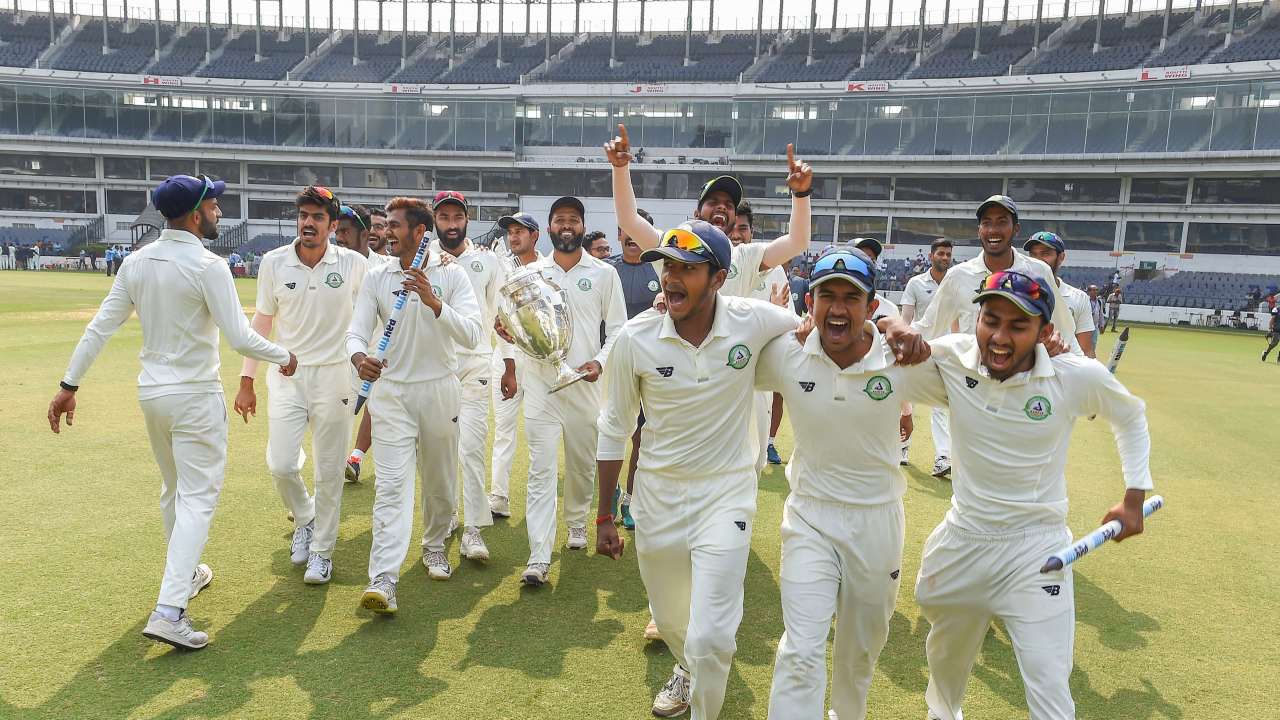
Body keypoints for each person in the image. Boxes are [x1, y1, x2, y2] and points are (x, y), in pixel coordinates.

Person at [596, 222, 927, 720]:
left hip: (727, 494)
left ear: (719, 277)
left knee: (715, 636)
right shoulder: (635, 338)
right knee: (672, 622)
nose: (672, 278)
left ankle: (705, 701)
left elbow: (836, 318)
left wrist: (894, 323)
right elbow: (615, 425)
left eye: (689, 268)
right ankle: (687, 667)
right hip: (657, 498)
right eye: (670, 266)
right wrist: (605, 514)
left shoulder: (754, 321)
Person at [47, 174, 297, 650]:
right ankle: (168, 610)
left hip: (153, 397)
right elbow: (241, 338)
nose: (220, 212)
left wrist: (68, 385)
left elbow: (100, 327)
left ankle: (185, 580)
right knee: (198, 499)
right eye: (214, 205)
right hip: (196, 396)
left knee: (175, 491)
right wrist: (285, 357)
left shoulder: (136, 263)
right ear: (195, 213)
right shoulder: (208, 265)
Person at [913, 269, 1152, 720]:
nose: (1000, 337)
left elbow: (1131, 417)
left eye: (1018, 326)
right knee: (945, 680)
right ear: (976, 320)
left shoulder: (1075, 376)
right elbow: (883, 357)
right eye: (991, 320)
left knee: (1049, 688)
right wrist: (892, 330)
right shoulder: (951, 357)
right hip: (963, 541)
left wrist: (1134, 498)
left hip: (1036, 548)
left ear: (1044, 332)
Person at [760, 248, 944, 720]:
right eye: (827, 296)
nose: (837, 309)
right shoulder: (788, 353)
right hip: (809, 517)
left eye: (850, 297)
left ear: (871, 305)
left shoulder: (900, 359)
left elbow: (979, 376)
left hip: (876, 520)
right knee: (800, 649)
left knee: (859, 655)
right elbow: (724, 339)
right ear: (811, 301)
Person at [606, 123, 814, 475]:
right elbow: (628, 218)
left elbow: (796, 242)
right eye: (713, 201)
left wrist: (801, 194)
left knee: (748, 460)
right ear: (697, 209)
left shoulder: (745, 257)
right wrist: (621, 168)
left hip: (736, 371)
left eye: (729, 204)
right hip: (682, 366)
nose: (722, 208)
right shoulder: (674, 248)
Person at [346, 197, 482, 612]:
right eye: (386, 224)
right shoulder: (377, 276)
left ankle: (435, 544)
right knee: (390, 487)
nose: (385, 232)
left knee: (440, 483)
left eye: (394, 225)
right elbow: (355, 334)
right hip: (390, 395)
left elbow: (473, 335)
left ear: (419, 232)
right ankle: (383, 579)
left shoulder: (452, 275)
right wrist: (359, 359)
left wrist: (434, 301)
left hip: (440, 389)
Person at [233, 186, 366, 586]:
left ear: (333, 224)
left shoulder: (354, 264)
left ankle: (322, 553)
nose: (308, 223)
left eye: (317, 217)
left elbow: (370, 315)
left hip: (336, 376)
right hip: (287, 375)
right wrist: (246, 379)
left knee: (328, 470)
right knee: (282, 464)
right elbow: (262, 322)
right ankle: (306, 518)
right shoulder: (274, 263)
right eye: (304, 215)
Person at [497, 196, 626, 588]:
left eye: (573, 219)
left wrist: (600, 362)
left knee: (582, 466)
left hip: (585, 386)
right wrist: (510, 337)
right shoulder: (530, 273)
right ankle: (538, 555)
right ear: (549, 228)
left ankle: (576, 524)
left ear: (583, 227)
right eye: (559, 220)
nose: (566, 225)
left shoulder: (604, 274)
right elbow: (511, 324)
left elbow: (619, 329)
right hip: (541, 384)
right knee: (540, 469)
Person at [911, 194, 1079, 478]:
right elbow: (928, 327)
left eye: (1002, 222)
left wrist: (1082, 374)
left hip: (1024, 388)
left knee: (1020, 474)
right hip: (973, 390)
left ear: (1016, 229)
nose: (993, 230)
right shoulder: (959, 276)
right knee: (972, 479)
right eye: (986, 223)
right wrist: (882, 332)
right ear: (979, 231)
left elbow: (1064, 330)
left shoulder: (1037, 271)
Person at [429, 190, 508, 563]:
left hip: (476, 363)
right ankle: (447, 518)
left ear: (467, 220)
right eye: (443, 218)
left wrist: (507, 362)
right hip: (435, 365)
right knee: (441, 451)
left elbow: (502, 315)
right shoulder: (425, 259)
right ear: (435, 221)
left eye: (456, 218)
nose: (451, 225)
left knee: (472, 448)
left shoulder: (487, 262)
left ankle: (474, 531)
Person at [605, 207, 661, 531]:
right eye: (625, 232)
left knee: (641, 438)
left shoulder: (662, 271)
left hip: (649, 369)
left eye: (638, 232)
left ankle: (630, 499)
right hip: (611, 367)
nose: (631, 239)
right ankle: (610, 493)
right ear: (619, 235)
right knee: (609, 434)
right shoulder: (606, 270)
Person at [488, 212, 543, 518]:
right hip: (505, 359)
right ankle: (499, 496)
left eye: (521, 231)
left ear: (535, 235)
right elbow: (501, 319)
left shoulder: (548, 268)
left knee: (539, 432)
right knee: (504, 430)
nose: (514, 236)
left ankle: (537, 501)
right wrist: (509, 365)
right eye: (510, 231)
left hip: (538, 361)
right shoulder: (500, 266)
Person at [731, 200, 793, 468]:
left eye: (742, 228)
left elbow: (788, 324)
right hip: (718, 372)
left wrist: (776, 313)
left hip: (758, 374)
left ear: (752, 232)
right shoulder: (707, 265)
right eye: (731, 227)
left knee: (754, 458)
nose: (736, 235)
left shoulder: (774, 268)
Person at [899, 238, 954, 468]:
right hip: (918, 349)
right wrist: (903, 344)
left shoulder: (955, 283)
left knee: (940, 406)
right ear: (931, 256)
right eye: (940, 253)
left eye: (948, 254)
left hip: (946, 352)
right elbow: (906, 319)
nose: (945, 258)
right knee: (905, 401)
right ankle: (901, 449)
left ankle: (943, 457)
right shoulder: (915, 283)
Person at [1023, 231, 1097, 358]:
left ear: (1061, 257)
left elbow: (1086, 350)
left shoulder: (1078, 298)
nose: (1037, 261)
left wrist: (1096, 374)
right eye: (1033, 254)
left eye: (1045, 254)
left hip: (1067, 372)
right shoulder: (1016, 294)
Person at [1087, 285, 1105, 349]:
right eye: (1094, 290)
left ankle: (1091, 358)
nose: (1095, 292)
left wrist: (1102, 325)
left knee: (1093, 343)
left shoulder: (1099, 301)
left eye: (1096, 290)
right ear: (1089, 292)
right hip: (1085, 326)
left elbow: (1101, 314)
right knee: (1084, 343)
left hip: (1095, 326)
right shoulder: (1085, 300)